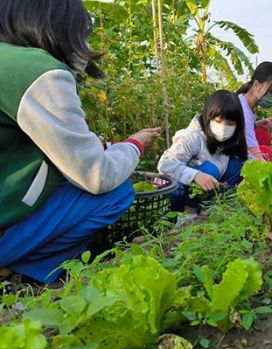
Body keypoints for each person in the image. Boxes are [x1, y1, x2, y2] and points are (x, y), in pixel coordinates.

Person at [0, 0, 160, 285]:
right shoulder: (37, 71)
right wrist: (134, 145)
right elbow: (97, 175)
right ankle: (25, 268)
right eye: (82, 34)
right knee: (116, 193)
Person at [158, 90, 247, 212]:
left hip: (209, 183)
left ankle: (216, 203)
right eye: (218, 121)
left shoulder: (232, 138)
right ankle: (181, 214)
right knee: (207, 171)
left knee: (238, 166)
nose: (224, 127)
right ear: (208, 116)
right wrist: (195, 176)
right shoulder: (193, 137)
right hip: (184, 186)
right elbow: (165, 164)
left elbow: (246, 158)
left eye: (230, 123)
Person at [237, 62, 272, 161]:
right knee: (267, 152)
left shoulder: (242, 99)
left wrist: (258, 124)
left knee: (262, 133)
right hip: (227, 157)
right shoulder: (242, 109)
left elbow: (243, 128)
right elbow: (252, 149)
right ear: (256, 85)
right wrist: (265, 167)